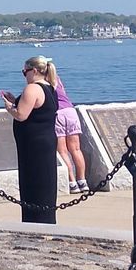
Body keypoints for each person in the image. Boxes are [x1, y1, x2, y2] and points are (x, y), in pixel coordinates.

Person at [1, 54, 59, 223]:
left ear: (33, 71)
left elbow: (21, 115)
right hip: (45, 142)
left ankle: (35, 220)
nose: (24, 75)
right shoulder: (50, 88)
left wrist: (9, 107)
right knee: (45, 184)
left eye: (24, 71)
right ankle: (45, 219)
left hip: (34, 145)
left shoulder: (33, 88)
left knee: (33, 184)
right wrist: (16, 101)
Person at [42, 60, 89, 192]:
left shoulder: (41, 83)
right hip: (70, 111)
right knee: (76, 149)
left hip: (57, 113)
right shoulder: (56, 79)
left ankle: (72, 182)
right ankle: (83, 180)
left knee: (62, 150)